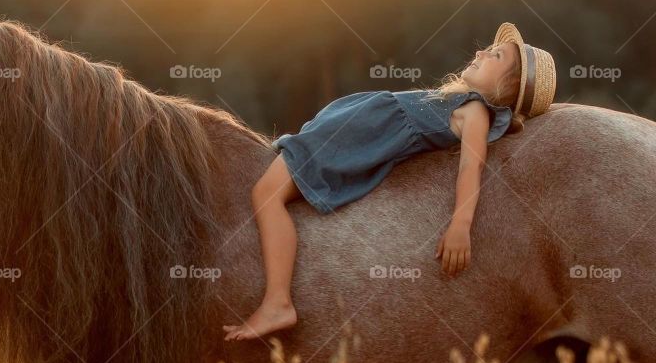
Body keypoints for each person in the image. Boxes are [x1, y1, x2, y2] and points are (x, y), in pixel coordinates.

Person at [223, 22, 557, 341]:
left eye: (495, 57)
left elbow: (472, 166)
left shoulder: (475, 112)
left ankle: (278, 302)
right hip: (349, 131)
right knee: (267, 189)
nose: (482, 53)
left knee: (266, 194)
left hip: (353, 142)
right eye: (488, 49)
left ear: (506, 88)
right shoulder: (460, 100)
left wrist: (461, 225)